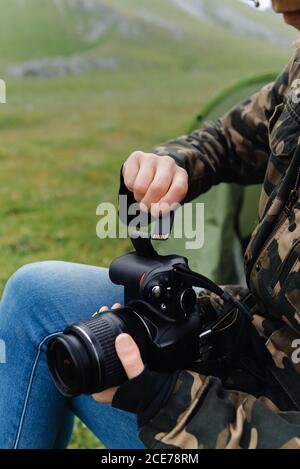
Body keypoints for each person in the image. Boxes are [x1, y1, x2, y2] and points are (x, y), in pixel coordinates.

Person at [0, 0, 300, 449]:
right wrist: (175, 162)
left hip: (246, 423)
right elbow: (233, 137)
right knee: (36, 297)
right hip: (255, 342)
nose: (277, 5)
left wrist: (164, 400)